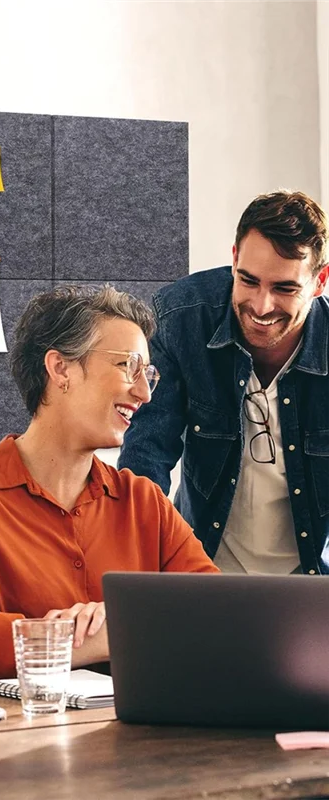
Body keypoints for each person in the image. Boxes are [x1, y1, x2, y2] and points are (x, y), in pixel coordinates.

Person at [0, 286, 219, 687]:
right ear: (60, 369)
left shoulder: (143, 502)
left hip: (116, 736)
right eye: (128, 366)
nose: (144, 392)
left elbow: (216, 616)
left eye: (149, 374)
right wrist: (88, 641)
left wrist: (119, 625)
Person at [118, 191, 329, 576]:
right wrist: (140, 568)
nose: (262, 306)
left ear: (320, 281)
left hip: (311, 583)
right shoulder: (182, 317)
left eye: (285, 288)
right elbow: (146, 452)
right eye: (248, 280)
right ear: (234, 259)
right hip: (203, 570)